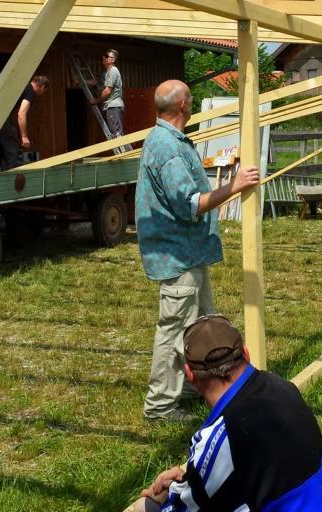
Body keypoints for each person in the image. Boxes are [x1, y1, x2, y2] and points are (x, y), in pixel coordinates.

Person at [135, 80, 260, 421]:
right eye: (190, 98)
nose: (192, 103)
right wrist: (234, 186)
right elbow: (189, 205)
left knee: (201, 324)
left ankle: (192, 385)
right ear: (183, 106)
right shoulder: (168, 147)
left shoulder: (168, 140)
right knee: (175, 329)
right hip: (178, 254)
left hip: (189, 252)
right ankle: (160, 406)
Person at [131, 315, 322, 512]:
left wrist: (162, 498)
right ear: (246, 354)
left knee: (142, 507)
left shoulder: (223, 434)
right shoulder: (283, 388)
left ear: (190, 375)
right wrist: (190, 480)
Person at [0, 75, 49, 171]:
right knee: (14, 153)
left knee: (4, 152)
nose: (41, 93)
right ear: (43, 87)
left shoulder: (22, 87)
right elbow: (21, 113)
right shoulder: (30, 91)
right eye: (44, 91)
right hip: (2, 119)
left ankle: (5, 176)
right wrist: (24, 136)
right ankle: (15, 177)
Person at [89, 48, 126, 140]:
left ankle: (120, 149)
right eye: (104, 56)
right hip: (109, 106)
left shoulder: (113, 70)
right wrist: (81, 81)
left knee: (116, 135)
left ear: (112, 60)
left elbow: (107, 91)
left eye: (106, 56)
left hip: (113, 106)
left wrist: (96, 100)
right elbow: (97, 82)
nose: (103, 57)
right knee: (113, 133)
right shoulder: (106, 73)